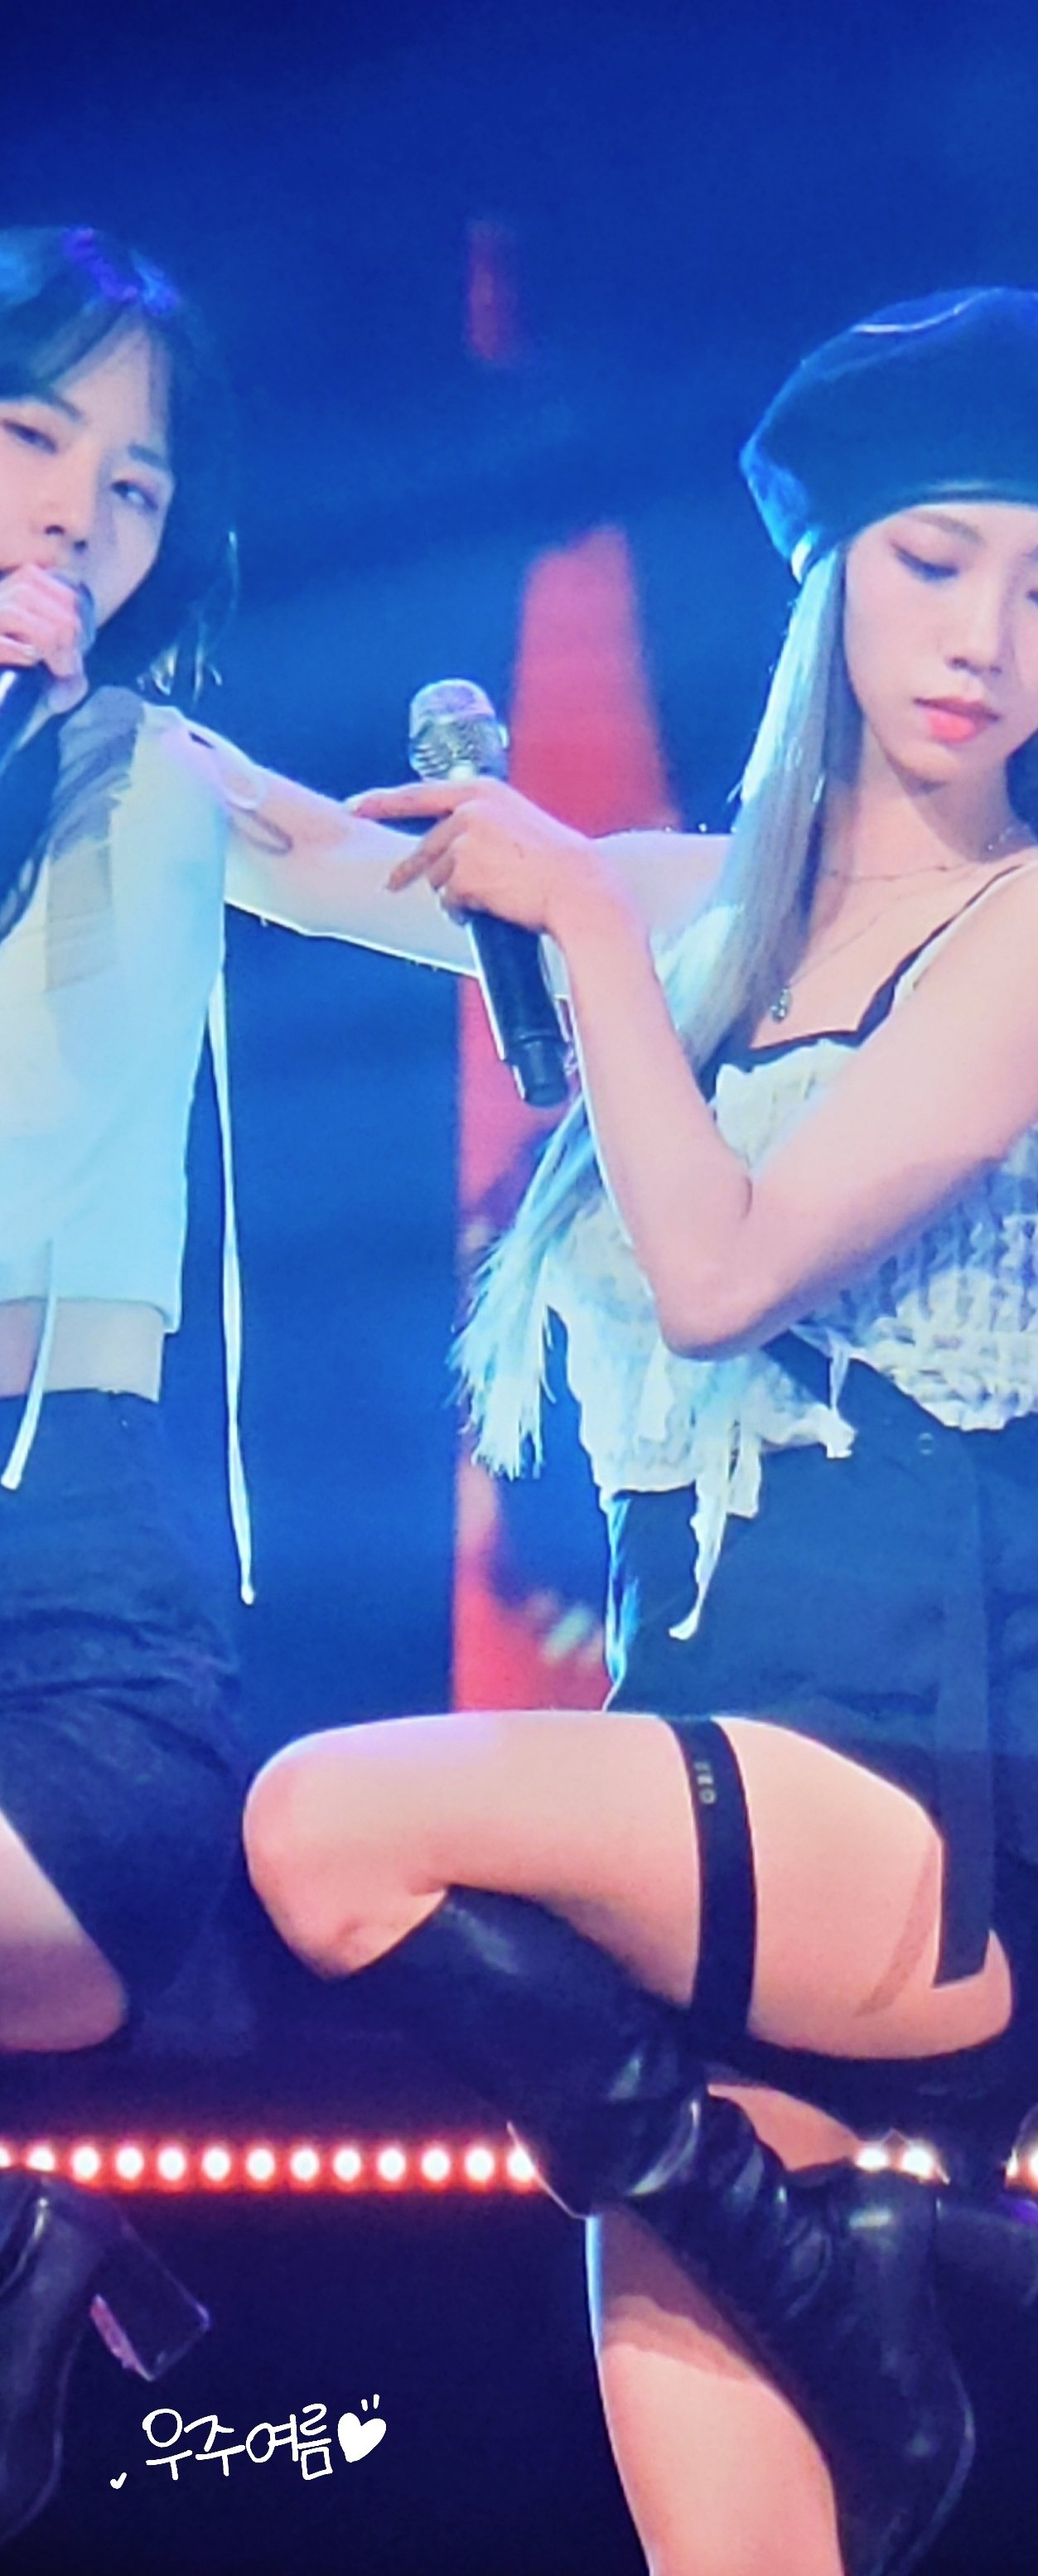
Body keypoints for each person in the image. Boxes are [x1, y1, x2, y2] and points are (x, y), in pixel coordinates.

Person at [239, 288, 1038, 2576]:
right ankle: (827, 2257)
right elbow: (278, 853)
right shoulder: (677, 903)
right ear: (829, 573)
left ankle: (857, 2318)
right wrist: (60, 660)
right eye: (932, 561)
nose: (982, 637)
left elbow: (723, 1273)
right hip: (705, 1784)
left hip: (940, 1784)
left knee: (322, 1818)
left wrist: (580, 917)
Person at [0, 222, 476, 2548]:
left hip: (69, 1613)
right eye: (28, 438)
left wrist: (901, 907)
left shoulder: (154, 772)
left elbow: (507, 895)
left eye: (133, 487)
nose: (76, 518)